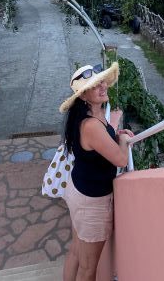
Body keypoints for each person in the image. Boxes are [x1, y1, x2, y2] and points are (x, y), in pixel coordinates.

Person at [59, 61, 133, 281]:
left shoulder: (93, 116)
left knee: (76, 251)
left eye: (102, 82)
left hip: (79, 190)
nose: (103, 87)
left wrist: (116, 135)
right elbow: (120, 159)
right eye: (94, 86)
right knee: (88, 269)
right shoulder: (90, 125)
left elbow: (103, 142)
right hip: (91, 203)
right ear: (83, 96)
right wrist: (122, 140)